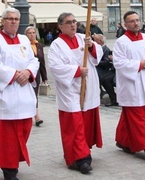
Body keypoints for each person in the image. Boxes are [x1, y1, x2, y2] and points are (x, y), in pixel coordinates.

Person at [0, 8, 39, 180]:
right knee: (6, 137)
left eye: (16, 19)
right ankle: (9, 169)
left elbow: (33, 60)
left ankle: (13, 162)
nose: (13, 21)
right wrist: (15, 75)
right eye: (9, 18)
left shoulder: (23, 39)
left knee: (23, 131)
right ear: (3, 21)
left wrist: (28, 72)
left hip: (22, 96)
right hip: (3, 98)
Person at [48, 13, 103, 174]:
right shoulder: (56, 45)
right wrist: (77, 70)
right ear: (60, 26)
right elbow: (55, 67)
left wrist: (91, 46)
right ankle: (81, 158)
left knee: (84, 123)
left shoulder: (82, 38)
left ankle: (83, 151)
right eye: (68, 22)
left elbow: (97, 56)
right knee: (74, 124)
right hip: (70, 89)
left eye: (74, 22)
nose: (73, 25)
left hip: (88, 85)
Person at [114, 11, 145, 162]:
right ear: (125, 24)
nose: (136, 23)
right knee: (138, 118)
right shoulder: (121, 42)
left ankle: (124, 140)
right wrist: (139, 64)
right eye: (132, 21)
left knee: (138, 116)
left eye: (137, 20)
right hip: (131, 85)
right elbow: (119, 62)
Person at [25, 25, 48, 128]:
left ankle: (36, 116)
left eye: (33, 32)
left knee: (35, 95)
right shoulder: (24, 45)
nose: (32, 35)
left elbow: (42, 62)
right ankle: (32, 115)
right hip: (26, 74)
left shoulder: (39, 46)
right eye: (29, 33)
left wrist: (45, 77)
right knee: (27, 95)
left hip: (37, 74)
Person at [93, 33, 118, 106]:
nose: (94, 42)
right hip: (105, 69)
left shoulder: (105, 49)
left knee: (103, 79)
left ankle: (113, 98)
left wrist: (96, 63)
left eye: (95, 41)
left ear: (100, 41)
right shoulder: (97, 48)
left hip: (105, 69)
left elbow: (106, 62)